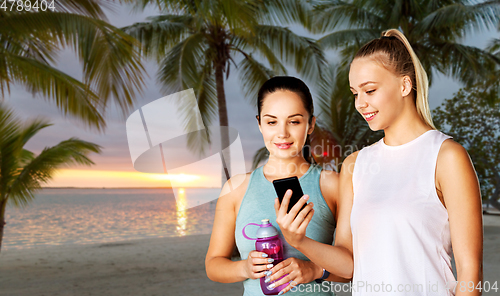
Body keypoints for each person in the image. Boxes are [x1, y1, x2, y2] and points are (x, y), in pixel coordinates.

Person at [274, 29, 483, 296]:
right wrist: (298, 240)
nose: (360, 103)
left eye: (369, 90)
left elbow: (471, 274)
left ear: (405, 85)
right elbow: (348, 266)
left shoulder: (446, 157)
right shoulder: (354, 165)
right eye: (355, 93)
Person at [205, 76, 349, 295]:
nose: (282, 133)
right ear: (260, 124)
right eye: (272, 122)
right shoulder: (236, 188)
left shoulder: (331, 185)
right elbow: (214, 265)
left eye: (294, 121)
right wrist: (244, 267)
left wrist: (314, 270)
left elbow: (353, 268)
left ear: (310, 124)